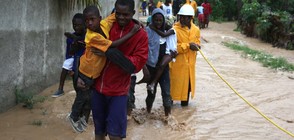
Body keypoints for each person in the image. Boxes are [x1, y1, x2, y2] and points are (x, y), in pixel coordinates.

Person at [67, 5, 140, 133]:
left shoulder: (104, 24)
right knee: (82, 97)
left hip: (93, 73)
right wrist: (132, 32)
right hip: (85, 72)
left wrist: (135, 21)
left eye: (92, 19)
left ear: (100, 19)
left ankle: (83, 119)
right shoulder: (92, 37)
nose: (89, 23)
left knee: (89, 98)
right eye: (86, 20)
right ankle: (73, 116)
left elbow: (115, 15)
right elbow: (113, 45)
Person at [90, 0, 148, 139]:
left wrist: (108, 52)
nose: (121, 17)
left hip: (118, 92)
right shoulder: (107, 26)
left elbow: (133, 66)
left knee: (115, 135)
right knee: (98, 133)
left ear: (133, 14)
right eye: (118, 13)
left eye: (125, 14)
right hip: (97, 88)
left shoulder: (140, 35)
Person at [144, 8, 176, 116]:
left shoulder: (168, 32)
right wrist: (144, 68)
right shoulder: (148, 31)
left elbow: (172, 49)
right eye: (156, 20)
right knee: (150, 94)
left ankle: (168, 117)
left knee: (166, 93)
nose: (158, 22)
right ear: (152, 20)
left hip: (164, 69)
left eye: (160, 20)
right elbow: (143, 49)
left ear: (163, 20)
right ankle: (148, 113)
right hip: (151, 67)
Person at [170, 4, 201, 106]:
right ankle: (168, 112)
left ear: (191, 18)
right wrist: (188, 45)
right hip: (177, 66)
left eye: (185, 18)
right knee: (172, 89)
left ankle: (184, 116)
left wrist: (197, 46)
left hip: (189, 67)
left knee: (187, 90)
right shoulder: (174, 30)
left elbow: (197, 43)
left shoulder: (196, 30)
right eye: (181, 17)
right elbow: (172, 48)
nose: (182, 19)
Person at [51, 14, 86, 98]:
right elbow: (69, 52)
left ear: (84, 24)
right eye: (74, 25)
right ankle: (60, 89)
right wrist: (70, 67)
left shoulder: (87, 36)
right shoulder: (70, 38)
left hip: (85, 58)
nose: (76, 27)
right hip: (74, 58)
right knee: (66, 64)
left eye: (79, 25)